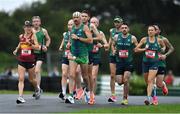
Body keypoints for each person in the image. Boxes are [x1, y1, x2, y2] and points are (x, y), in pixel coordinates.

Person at [65, 11, 93, 104]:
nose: (75, 19)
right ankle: (70, 96)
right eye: (74, 18)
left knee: (85, 77)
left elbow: (90, 40)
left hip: (83, 55)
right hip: (74, 54)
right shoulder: (72, 28)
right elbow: (70, 38)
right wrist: (69, 44)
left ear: (80, 19)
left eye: (77, 18)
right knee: (71, 75)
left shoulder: (84, 27)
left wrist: (78, 38)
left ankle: (88, 91)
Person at [135, 25, 166, 105]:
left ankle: (148, 99)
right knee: (148, 82)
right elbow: (136, 49)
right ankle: (154, 97)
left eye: (152, 30)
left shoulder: (159, 40)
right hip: (145, 63)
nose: (150, 32)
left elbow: (164, 46)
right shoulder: (144, 39)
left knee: (150, 80)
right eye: (149, 30)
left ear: (155, 32)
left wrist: (163, 50)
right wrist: (144, 49)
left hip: (154, 63)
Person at [13, 21, 41, 104]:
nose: (28, 28)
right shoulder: (21, 36)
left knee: (32, 79)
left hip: (31, 60)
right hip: (21, 60)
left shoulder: (33, 36)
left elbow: (38, 47)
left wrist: (31, 45)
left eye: (29, 26)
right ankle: (20, 97)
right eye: (26, 27)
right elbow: (20, 43)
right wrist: (16, 49)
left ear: (31, 27)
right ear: (24, 28)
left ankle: (37, 88)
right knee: (21, 79)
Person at [111, 23, 138, 105]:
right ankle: (125, 85)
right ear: (120, 29)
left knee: (126, 80)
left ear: (128, 29)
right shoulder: (116, 37)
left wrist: (135, 49)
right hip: (119, 62)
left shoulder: (132, 38)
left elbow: (137, 46)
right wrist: (113, 50)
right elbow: (112, 45)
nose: (124, 29)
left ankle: (125, 98)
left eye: (126, 28)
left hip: (128, 62)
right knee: (119, 82)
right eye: (122, 28)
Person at [87, 17, 109, 104]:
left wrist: (102, 46)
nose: (93, 24)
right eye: (91, 22)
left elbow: (107, 45)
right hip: (86, 56)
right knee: (86, 77)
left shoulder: (100, 33)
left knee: (93, 77)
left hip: (96, 56)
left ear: (98, 24)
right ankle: (86, 90)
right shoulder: (86, 32)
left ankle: (92, 95)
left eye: (95, 22)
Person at [151, 25, 174, 105]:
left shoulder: (163, 39)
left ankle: (163, 84)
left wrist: (165, 55)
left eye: (155, 29)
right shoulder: (148, 39)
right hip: (151, 63)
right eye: (152, 29)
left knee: (158, 84)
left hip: (161, 64)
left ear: (159, 31)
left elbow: (171, 48)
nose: (153, 31)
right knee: (151, 82)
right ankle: (154, 100)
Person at [32, 16, 51, 93]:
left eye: (37, 21)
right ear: (32, 23)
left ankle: (38, 89)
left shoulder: (43, 31)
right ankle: (37, 88)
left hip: (41, 53)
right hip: (32, 53)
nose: (36, 23)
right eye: (34, 21)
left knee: (37, 70)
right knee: (34, 72)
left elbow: (48, 39)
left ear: (40, 22)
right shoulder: (30, 31)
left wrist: (46, 46)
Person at [108, 16, 123, 102]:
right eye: (115, 22)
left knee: (120, 81)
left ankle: (122, 82)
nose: (116, 24)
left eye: (118, 22)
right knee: (112, 75)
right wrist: (108, 46)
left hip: (122, 56)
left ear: (121, 23)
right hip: (113, 55)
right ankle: (113, 95)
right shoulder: (112, 30)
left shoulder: (124, 30)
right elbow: (111, 39)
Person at [58, 19, 74, 100]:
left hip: (73, 56)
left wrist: (70, 44)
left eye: (71, 24)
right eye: (68, 25)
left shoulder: (76, 34)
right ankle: (63, 92)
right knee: (64, 73)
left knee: (71, 75)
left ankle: (73, 92)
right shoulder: (65, 34)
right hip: (65, 55)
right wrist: (61, 46)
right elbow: (64, 39)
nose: (69, 26)